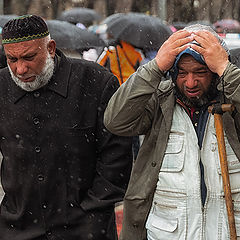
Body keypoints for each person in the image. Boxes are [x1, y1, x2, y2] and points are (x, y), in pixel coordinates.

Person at [0, 14, 133, 240]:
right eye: (12, 60)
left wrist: (93, 212)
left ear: (51, 48)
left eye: (29, 57)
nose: (20, 69)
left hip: (85, 228)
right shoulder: (2, 86)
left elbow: (117, 155)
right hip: (17, 227)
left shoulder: (96, 82)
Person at [104, 24, 240, 240]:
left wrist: (225, 67)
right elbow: (115, 120)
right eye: (182, 73)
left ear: (214, 72)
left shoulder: (232, 103)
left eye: (200, 72)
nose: (190, 82)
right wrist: (155, 66)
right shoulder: (160, 100)